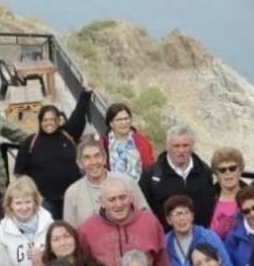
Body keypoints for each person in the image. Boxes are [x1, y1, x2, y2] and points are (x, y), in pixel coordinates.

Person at [13, 85, 95, 216]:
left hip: (71, 196)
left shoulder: (68, 134)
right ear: (40, 122)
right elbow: (19, 173)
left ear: (58, 120)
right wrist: (31, 195)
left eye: (52, 119)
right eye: (45, 120)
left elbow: (79, 113)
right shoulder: (30, 142)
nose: (49, 123)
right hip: (45, 200)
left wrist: (86, 93)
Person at [78, 175, 171, 266]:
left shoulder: (150, 222)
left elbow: (162, 261)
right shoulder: (87, 229)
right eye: (112, 199)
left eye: (122, 197)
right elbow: (84, 264)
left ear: (131, 197)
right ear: (102, 202)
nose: (118, 204)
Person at [140, 124, 217, 229]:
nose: (181, 151)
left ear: (192, 146)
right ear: (167, 147)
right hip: (165, 239)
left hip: (198, 238)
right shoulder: (151, 175)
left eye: (185, 146)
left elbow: (209, 206)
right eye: (176, 146)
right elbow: (143, 211)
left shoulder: (204, 171)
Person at [62, 137, 146, 229]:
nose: (93, 162)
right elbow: (70, 231)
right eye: (87, 158)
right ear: (79, 163)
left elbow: (146, 216)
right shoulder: (72, 193)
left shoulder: (126, 182)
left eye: (97, 156)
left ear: (105, 158)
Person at [0, 174, 53, 266]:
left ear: (35, 202)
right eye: (18, 203)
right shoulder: (2, 231)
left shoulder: (49, 223)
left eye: (28, 202)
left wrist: (44, 256)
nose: (24, 208)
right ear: (10, 205)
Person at [163, 194, 235, 266]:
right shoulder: (165, 242)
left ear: (192, 216)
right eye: (177, 214)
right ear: (169, 220)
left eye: (186, 213)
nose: (182, 218)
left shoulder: (209, 237)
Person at [100, 101, 155, 181]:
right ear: (111, 123)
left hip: (139, 189)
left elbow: (150, 165)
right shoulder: (104, 143)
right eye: (119, 120)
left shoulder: (141, 141)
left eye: (126, 118)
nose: (124, 122)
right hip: (114, 189)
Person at [209, 146, 246, 239]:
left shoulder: (252, 197)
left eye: (232, 168)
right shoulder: (208, 198)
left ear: (240, 170)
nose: (227, 172)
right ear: (216, 174)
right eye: (222, 170)